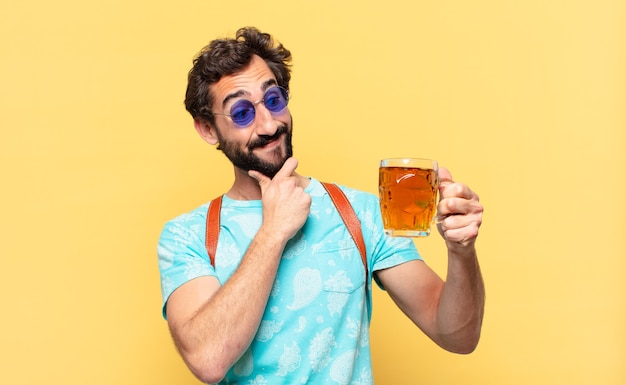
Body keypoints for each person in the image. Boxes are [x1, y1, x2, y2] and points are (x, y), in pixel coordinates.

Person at [158, 26, 485, 385]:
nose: (269, 124)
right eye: (241, 113)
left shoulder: (360, 213)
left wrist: (461, 252)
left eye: (273, 101)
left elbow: (457, 336)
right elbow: (208, 360)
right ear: (208, 130)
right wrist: (273, 231)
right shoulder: (186, 236)